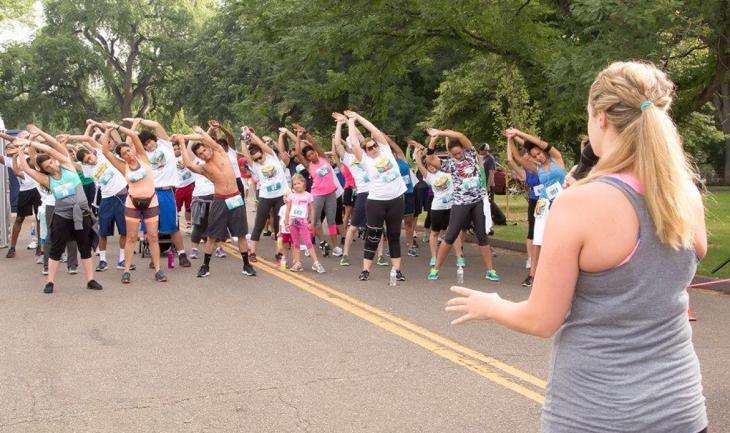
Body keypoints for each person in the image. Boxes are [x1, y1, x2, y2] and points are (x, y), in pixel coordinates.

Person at [447, 61, 708, 433]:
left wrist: (492, 305)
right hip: (681, 409)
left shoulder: (581, 204)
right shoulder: (684, 194)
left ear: (601, 117)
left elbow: (541, 319)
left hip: (596, 413)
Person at [15, 126, 102, 293]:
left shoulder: (68, 165)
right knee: (56, 247)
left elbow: (51, 146)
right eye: (47, 165)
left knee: (84, 247)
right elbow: (26, 169)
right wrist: (20, 150)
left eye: (50, 161)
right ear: (44, 169)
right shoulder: (47, 180)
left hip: (81, 213)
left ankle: (91, 279)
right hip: (62, 216)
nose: (51, 164)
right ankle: (50, 282)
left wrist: (38, 134)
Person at [179, 127, 256, 278]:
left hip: (235, 198)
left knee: (240, 233)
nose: (204, 154)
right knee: (213, 236)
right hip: (219, 200)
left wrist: (190, 134)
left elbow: (204, 137)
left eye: (204, 151)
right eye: (200, 154)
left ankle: (246, 265)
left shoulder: (221, 152)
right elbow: (188, 164)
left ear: (208, 148)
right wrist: (182, 142)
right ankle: (205, 266)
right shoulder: (204, 168)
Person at [425, 128, 500, 282]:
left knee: (482, 236)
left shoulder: (472, 154)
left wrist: (442, 132)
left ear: (463, 150)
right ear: (451, 154)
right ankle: (435, 269)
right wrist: (433, 138)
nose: (458, 156)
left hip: (477, 202)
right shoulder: (450, 164)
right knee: (451, 235)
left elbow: (460, 136)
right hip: (460, 203)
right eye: (455, 154)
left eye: (459, 153)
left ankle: (490, 270)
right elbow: (431, 159)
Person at [98, 121, 167, 283]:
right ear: (121, 157)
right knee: (131, 237)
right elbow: (105, 151)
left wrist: (117, 127)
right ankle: (127, 270)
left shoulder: (143, 158)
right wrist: (108, 130)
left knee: (153, 237)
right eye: (123, 154)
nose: (127, 154)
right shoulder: (123, 167)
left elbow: (134, 135)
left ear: (132, 150)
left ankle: (158, 269)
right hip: (132, 204)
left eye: (128, 150)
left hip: (151, 202)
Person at [344, 111, 407, 282]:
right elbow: (355, 143)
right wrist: (350, 122)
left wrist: (358, 117)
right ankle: (365, 270)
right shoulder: (365, 160)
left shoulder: (385, 150)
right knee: (373, 235)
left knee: (394, 235)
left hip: (396, 200)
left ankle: (397, 270)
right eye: (369, 148)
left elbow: (375, 130)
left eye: (374, 146)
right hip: (376, 202)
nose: (373, 149)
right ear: (365, 151)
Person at [125, 117, 191, 267]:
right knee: (150, 228)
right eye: (145, 144)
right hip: (150, 194)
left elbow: (157, 124)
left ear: (154, 139)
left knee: (173, 226)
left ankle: (181, 255)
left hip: (167, 193)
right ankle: (153, 258)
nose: (149, 145)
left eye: (150, 142)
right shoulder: (142, 155)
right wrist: (133, 125)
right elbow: (128, 145)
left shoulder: (166, 145)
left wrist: (140, 120)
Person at [506, 127, 567, 279]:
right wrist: (510, 139)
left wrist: (518, 133)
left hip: (562, 202)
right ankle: (533, 273)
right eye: (535, 156)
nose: (539, 157)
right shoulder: (536, 168)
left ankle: (561, 269)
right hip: (544, 203)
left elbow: (539, 142)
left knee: (562, 236)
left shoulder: (557, 159)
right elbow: (517, 158)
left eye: (539, 153)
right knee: (538, 238)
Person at [72, 123, 132, 272]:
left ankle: (122, 259)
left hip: (122, 196)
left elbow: (87, 139)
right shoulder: (87, 170)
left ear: (92, 153)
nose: (90, 161)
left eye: (89, 157)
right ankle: (103, 260)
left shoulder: (102, 154)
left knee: (124, 231)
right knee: (103, 232)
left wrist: (102, 128)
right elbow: (70, 163)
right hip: (106, 200)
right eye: (86, 161)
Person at [411, 140, 465, 268]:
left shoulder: (447, 171)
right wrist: (417, 152)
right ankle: (434, 257)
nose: (431, 167)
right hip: (437, 208)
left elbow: (450, 156)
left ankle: (459, 257)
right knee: (434, 233)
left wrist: (445, 138)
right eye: (429, 166)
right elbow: (419, 164)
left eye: (432, 165)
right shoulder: (429, 177)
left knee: (454, 232)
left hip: (451, 207)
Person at [293, 124, 343, 257]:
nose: (312, 156)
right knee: (314, 221)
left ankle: (335, 247)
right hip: (317, 195)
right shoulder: (309, 165)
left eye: (312, 153)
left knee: (331, 221)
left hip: (331, 194)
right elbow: (298, 153)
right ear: (307, 158)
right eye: (309, 155)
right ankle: (316, 244)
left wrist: (306, 133)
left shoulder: (322, 158)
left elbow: (314, 143)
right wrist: (298, 137)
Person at [240, 128, 289, 263]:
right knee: (259, 225)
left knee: (279, 226)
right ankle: (253, 252)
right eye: (256, 159)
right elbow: (245, 152)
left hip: (280, 196)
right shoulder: (254, 165)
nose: (259, 160)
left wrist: (252, 135)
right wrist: (243, 139)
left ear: (263, 153)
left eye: (260, 157)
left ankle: (279, 253)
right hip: (265, 197)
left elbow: (261, 144)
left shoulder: (272, 156)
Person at [505, 140, 541, 287]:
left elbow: (534, 147)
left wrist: (518, 137)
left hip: (549, 201)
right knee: (532, 232)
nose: (526, 156)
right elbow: (510, 160)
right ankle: (531, 259)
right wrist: (509, 141)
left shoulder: (541, 166)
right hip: (535, 202)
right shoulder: (526, 172)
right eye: (525, 155)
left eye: (528, 154)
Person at [2, 138, 42, 260]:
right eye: (7, 148)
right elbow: (16, 172)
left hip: (37, 189)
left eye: (11, 147)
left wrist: (22, 145)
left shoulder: (27, 155)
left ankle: (40, 246)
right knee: (19, 218)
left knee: (39, 218)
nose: (9, 149)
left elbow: (33, 157)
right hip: (24, 191)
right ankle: (12, 247)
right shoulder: (10, 160)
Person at [285, 174, 325, 273]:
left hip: (303, 222)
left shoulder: (308, 195)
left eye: (299, 183)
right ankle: (297, 263)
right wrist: (286, 223)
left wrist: (312, 222)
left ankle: (316, 263)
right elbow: (288, 210)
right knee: (295, 243)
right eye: (294, 184)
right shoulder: (291, 196)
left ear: (304, 183)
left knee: (308, 242)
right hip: (293, 222)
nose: (296, 185)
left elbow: (312, 209)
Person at [478, 143, 506, 225]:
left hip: (488, 185)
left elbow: (491, 173)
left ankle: (499, 218)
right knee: (485, 203)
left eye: (481, 151)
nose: (480, 152)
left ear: (484, 150)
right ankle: (490, 219)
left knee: (489, 203)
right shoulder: (482, 158)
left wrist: (488, 186)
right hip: (482, 184)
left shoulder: (490, 159)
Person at [173, 139, 195, 233]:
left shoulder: (185, 156)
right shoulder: (170, 160)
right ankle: (175, 225)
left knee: (188, 207)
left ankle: (189, 226)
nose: (177, 150)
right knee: (176, 209)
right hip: (178, 188)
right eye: (175, 149)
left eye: (179, 148)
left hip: (189, 185)